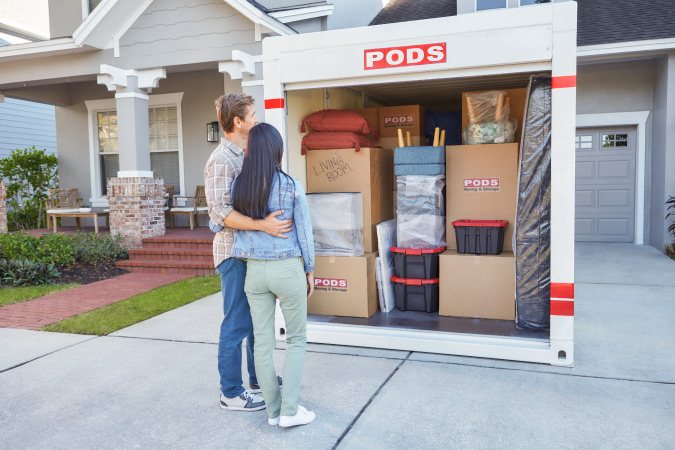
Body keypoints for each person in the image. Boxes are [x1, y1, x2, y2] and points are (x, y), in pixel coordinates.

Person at [204, 93, 292, 411]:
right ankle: (230, 392)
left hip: (253, 252)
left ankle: (258, 378)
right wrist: (263, 225)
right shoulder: (221, 160)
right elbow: (220, 214)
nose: (257, 119)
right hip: (233, 253)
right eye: (252, 115)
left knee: (259, 321)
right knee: (238, 323)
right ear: (237, 122)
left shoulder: (246, 155)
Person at [230, 123, 316, 428]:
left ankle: (273, 412)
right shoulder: (291, 184)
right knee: (296, 339)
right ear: (277, 150)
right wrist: (309, 269)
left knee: (262, 345)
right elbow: (304, 233)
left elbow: (226, 223)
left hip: (254, 272)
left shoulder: (239, 186)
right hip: (287, 267)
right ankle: (290, 412)